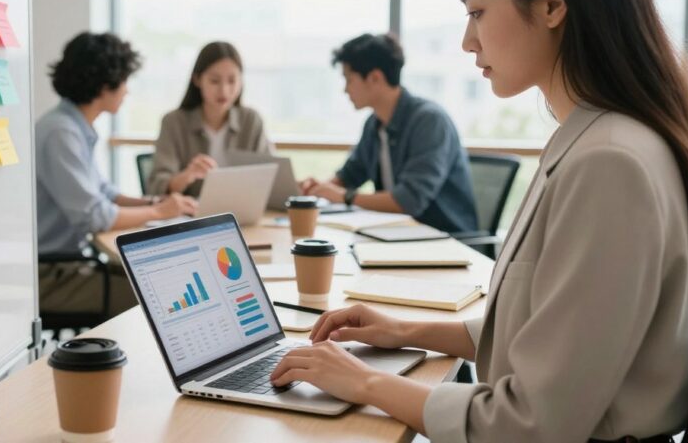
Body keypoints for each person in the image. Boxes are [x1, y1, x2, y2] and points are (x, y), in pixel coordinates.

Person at [271, 0, 688, 442]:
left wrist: (363, 383)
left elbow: (530, 422)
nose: (466, 41)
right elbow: (556, 334)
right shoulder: (595, 140)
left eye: (477, 10)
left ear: (552, 3)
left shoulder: (611, 165)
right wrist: (406, 328)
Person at [36, 32, 196, 316]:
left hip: (69, 265)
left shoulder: (71, 127)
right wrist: (159, 212)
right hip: (50, 275)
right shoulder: (61, 132)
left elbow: (106, 194)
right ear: (103, 85)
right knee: (163, 296)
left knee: (159, 282)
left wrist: (153, 204)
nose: (127, 91)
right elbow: (95, 215)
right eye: (124, 81)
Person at [299, 33, 477, 234]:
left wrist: (343, 196)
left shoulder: (429, 121)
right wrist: (317, 189)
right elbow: (351, 174)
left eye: (349, 79)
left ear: (375, 78)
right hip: (397, 234)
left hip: (443, 240)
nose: (345, 90)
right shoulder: (374, 123)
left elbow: (408, 201)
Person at [146, 41, 272, 197]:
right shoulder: (173, 122)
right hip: (193, 216)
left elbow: (272, 178)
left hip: (243, 214)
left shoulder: (251, 120)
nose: (224, 90)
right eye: (214, 81)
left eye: (232, 81)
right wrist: (188, 175)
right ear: (197, 79)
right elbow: (156, 186)